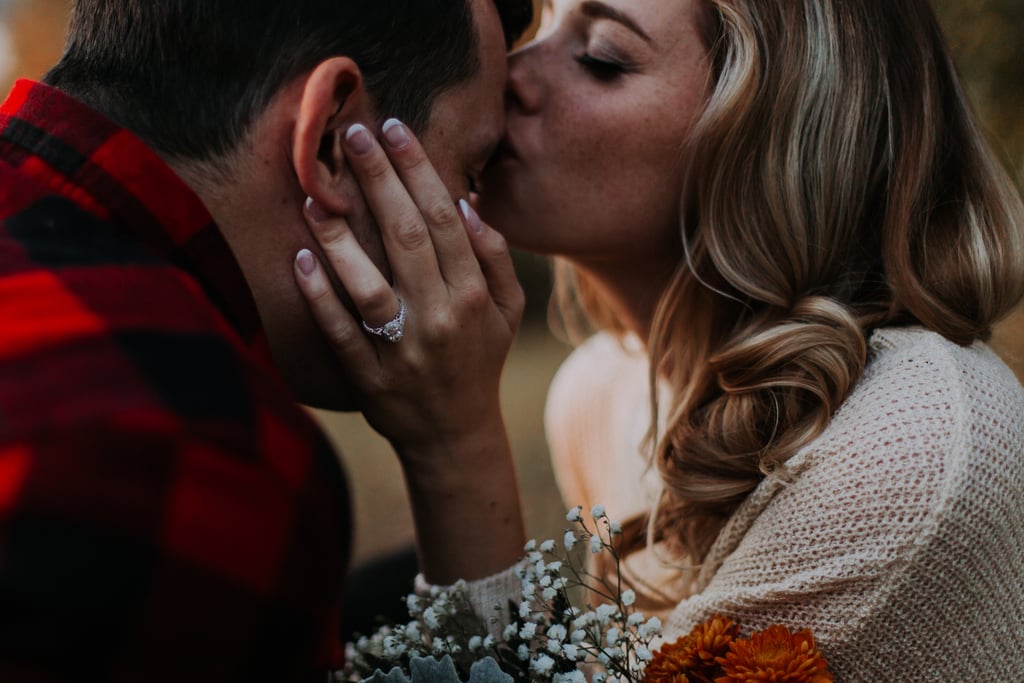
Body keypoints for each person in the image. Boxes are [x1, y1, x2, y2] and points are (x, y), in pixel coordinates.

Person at [294, 0, 1024, 679]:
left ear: (771, 138)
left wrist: (456, 447)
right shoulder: (596, 397)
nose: (510, 74)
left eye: (602, 59)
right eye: (543, 28)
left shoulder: (906, 449)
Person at [0, 0, 533, 679]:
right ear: (331, 142)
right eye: (472, 172)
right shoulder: (205, 453)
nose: (483, 230)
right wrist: (461, 445)